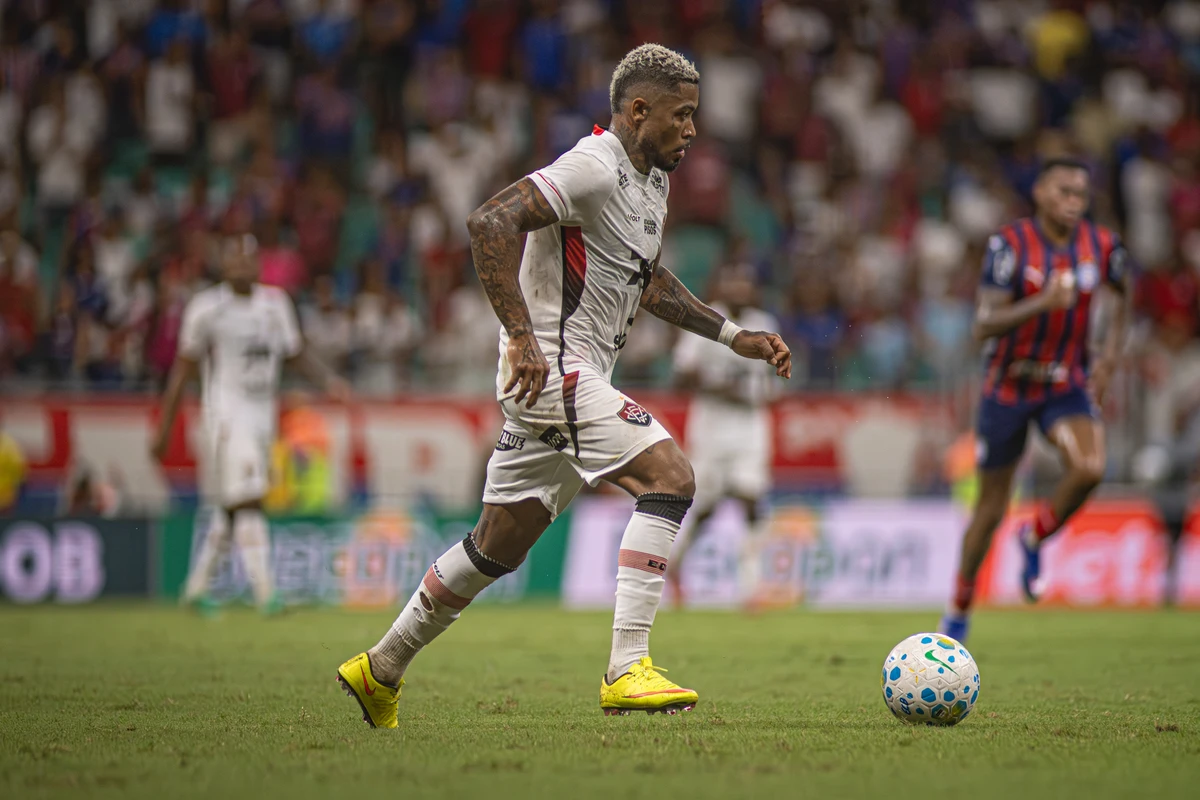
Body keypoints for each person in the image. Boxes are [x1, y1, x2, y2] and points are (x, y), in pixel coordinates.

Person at [336, 43, 792, 728]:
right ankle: (626, 667)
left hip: (564, 377)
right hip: (552, 367)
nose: (692, 130)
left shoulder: (652, 183)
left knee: (494, 546)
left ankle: (381, 667)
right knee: (670, 476)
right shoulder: (593, 165)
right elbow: (491, 219)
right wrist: (519, 334)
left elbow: (650, 281)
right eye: (681, 115)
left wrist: (734, 336)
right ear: (639, 111)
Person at [940, 158, 1131, 644]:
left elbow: (1124, 293)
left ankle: (1036, 537)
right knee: (989, 511)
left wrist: (1108, 357)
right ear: (1041, 192)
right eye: (1064, 191)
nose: (1073, 202)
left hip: (1064, 386)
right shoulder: (1010, 245)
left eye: (1081, 194)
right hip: (1008, 387)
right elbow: (983, 323)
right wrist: (1042, 302)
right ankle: (958, 610)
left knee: (1089, 468)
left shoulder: (1102, 245)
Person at [151, 234, 349, 616]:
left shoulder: (275, 305)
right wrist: (164, 429)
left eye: (248, 257)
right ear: (223, 264)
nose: (242, 263)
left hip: (262, 413)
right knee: (250, 496)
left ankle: (194, 589)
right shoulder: (207, 308)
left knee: (232, 503)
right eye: (234, 257)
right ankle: (265, 593)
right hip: (227, 413)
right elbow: (182, 370)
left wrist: (328, 381)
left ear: (258, 263)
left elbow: (296, 353)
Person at [667, 264, 780, 609]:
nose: (739, 288)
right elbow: (680, 377)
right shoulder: (706, 319)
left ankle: (752, 586)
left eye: (745, 281)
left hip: (749, 427)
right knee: (704, 506)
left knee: (751, 499)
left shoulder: (765, 324)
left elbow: (771, 385)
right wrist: (720, 386)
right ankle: (675, 564)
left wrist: (732, 387)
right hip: (710, 429)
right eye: (734, 281)